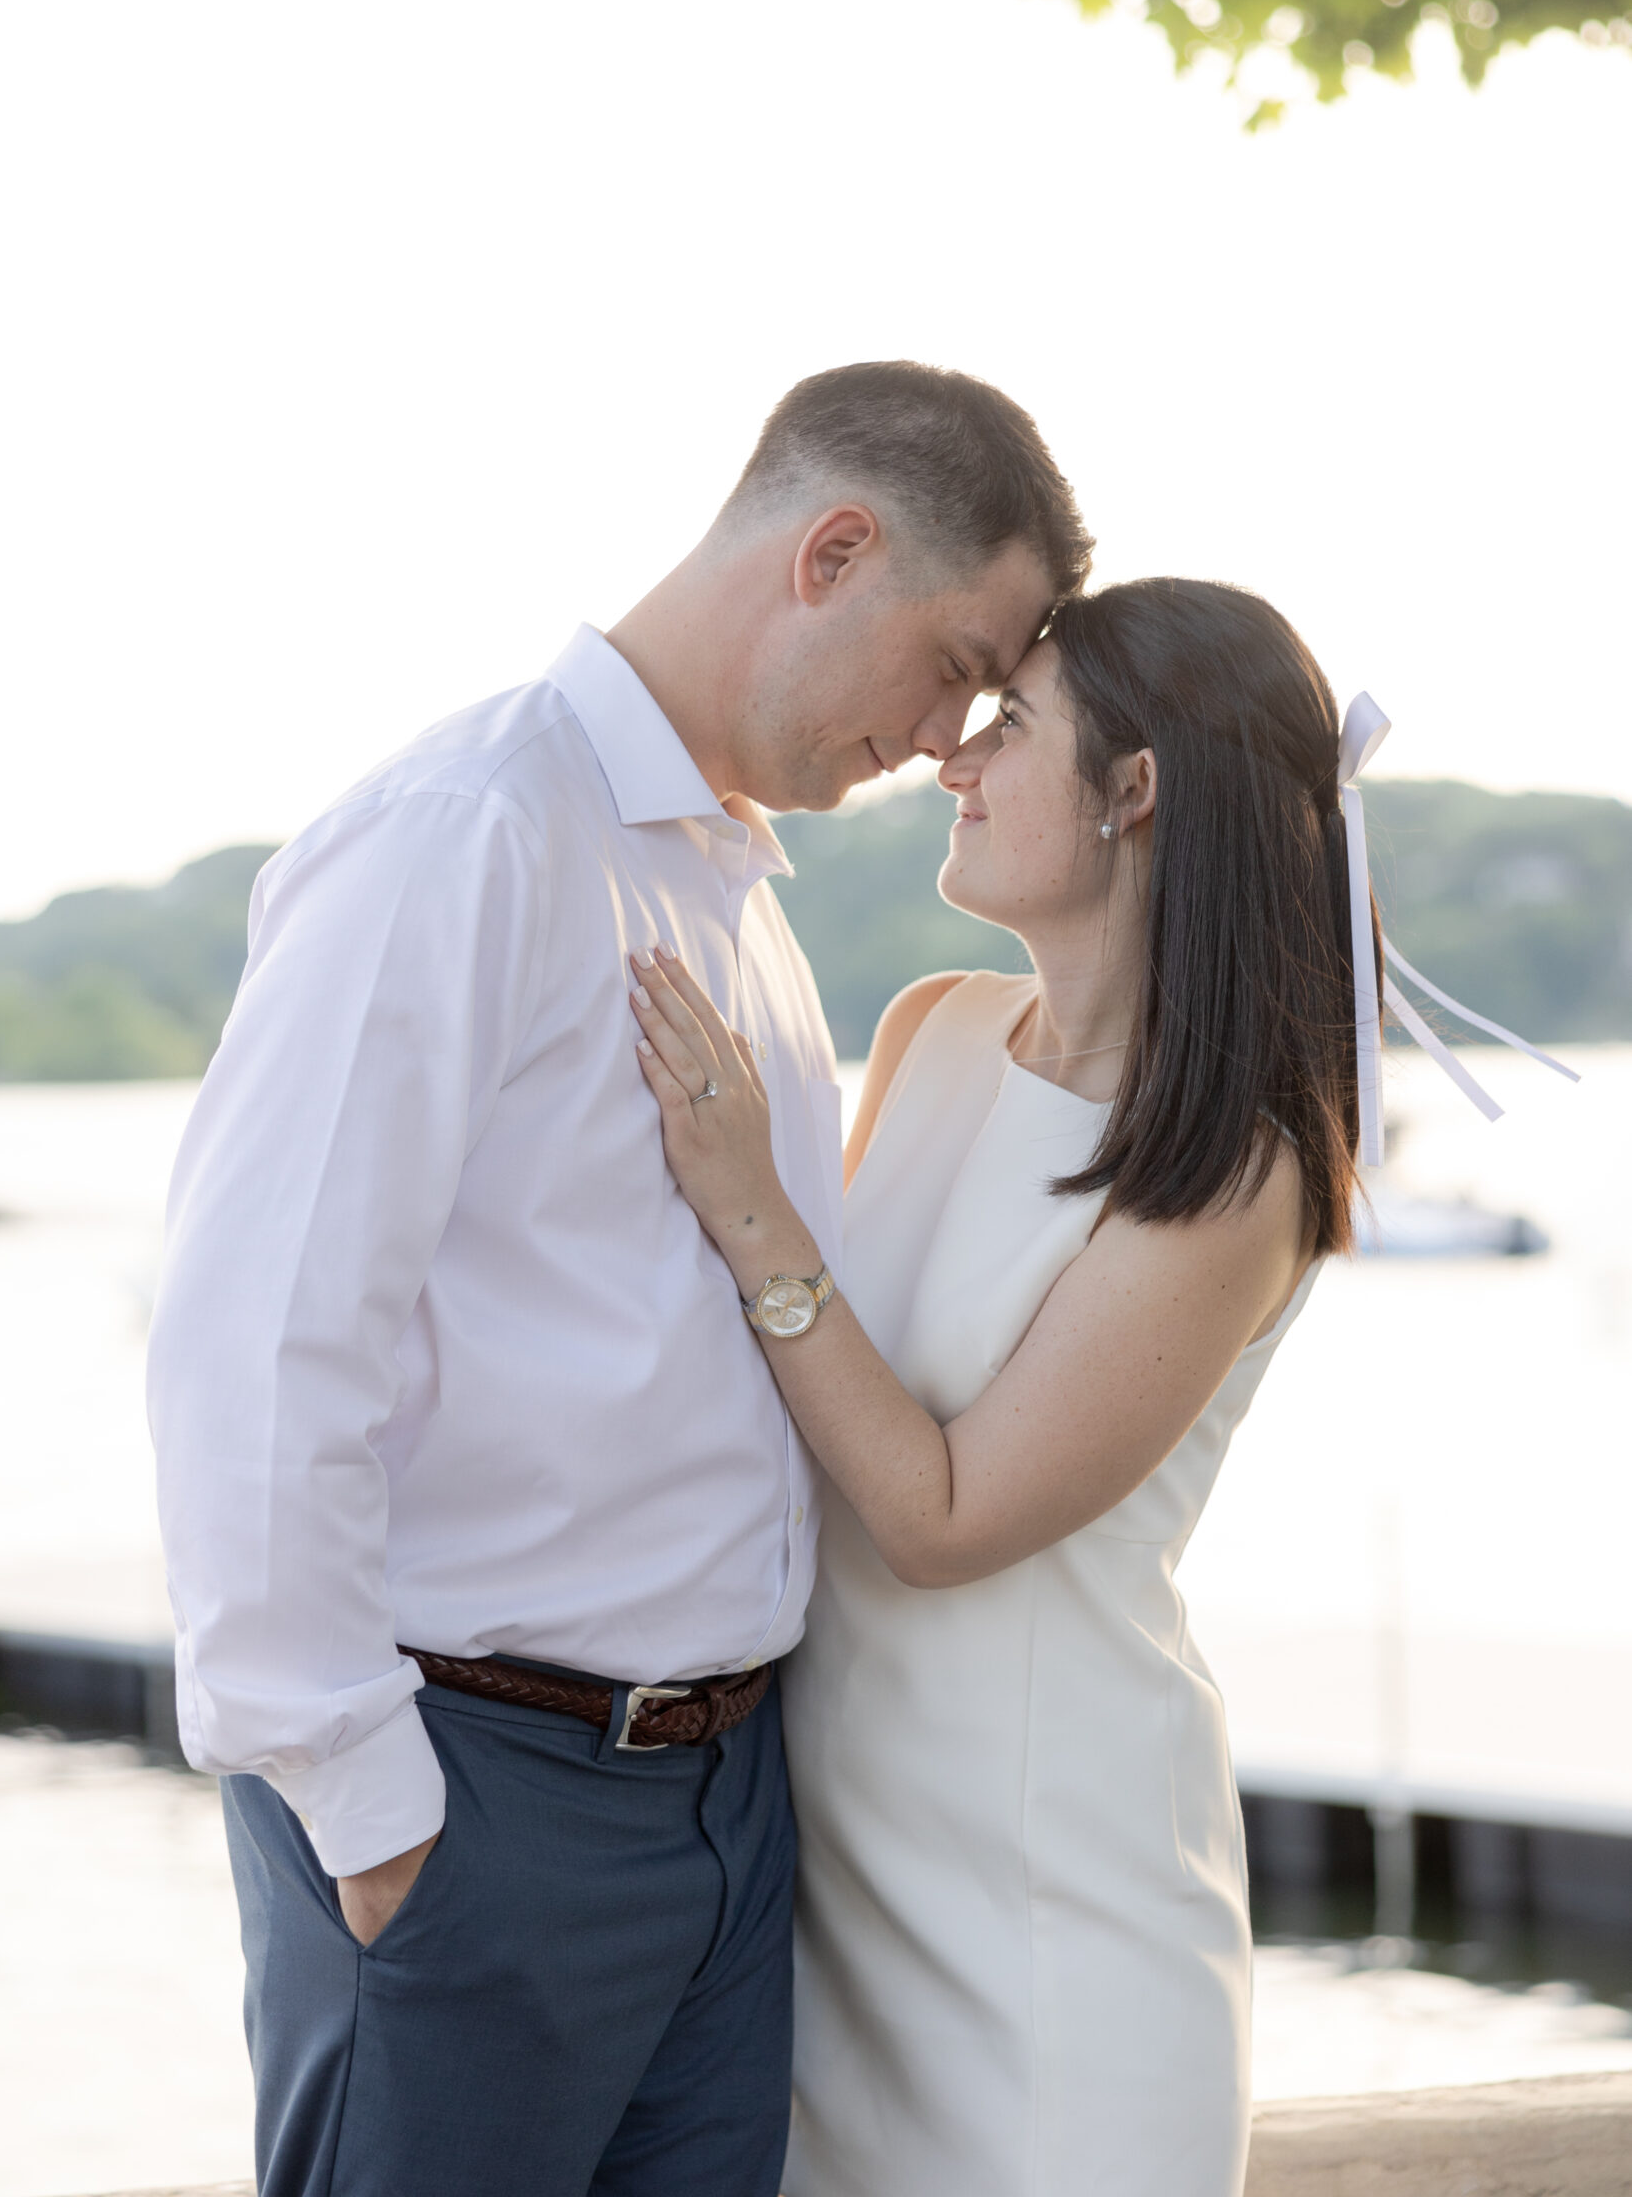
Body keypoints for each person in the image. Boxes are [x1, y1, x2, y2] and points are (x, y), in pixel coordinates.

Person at [145, 360, 1089, 2197]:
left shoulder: (741, 897)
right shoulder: (466, 835)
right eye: (958, 663)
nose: (950, 732)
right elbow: (255, 1348)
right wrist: (370, 1815)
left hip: (726, 1820)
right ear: (832, 551)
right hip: (478, 1804)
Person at [625, 577, 1372, 2197]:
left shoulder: (1235, 1165)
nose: (952, 756)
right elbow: (804, 1390)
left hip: (1054, 1933)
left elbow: (940, 1518)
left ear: (1137, 791)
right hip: (835, 1905)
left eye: (1010, 720)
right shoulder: (935, 1029)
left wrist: (749, 1196)